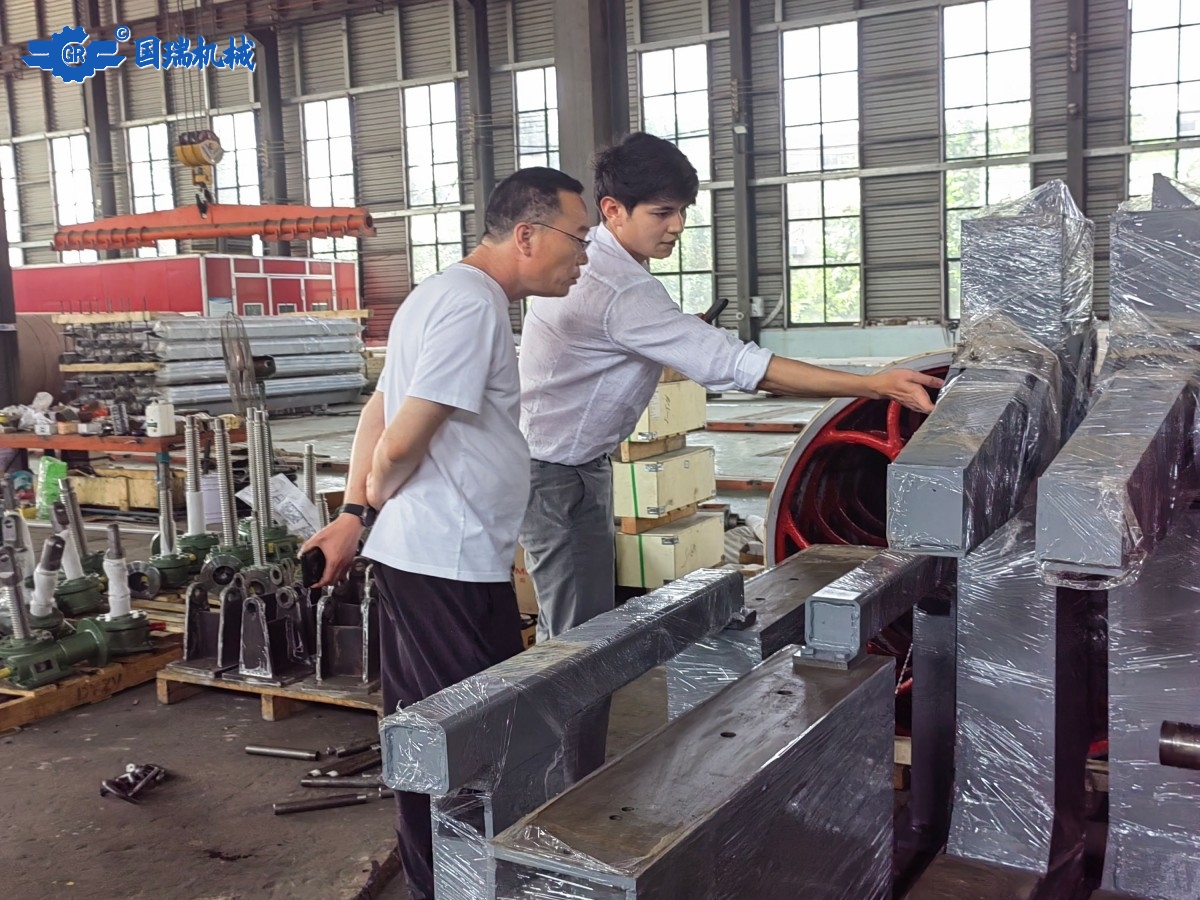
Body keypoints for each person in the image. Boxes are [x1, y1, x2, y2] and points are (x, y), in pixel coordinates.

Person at [518, 132, 943, 779]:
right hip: (556, 476)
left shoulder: (607, 266)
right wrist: (871, 384)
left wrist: (676, 333)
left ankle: (566, 773)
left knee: (580, 635)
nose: (677, 227)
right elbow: (740, 366)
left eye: (683, 211)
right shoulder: (616, 289)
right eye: (663, 213)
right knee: (577, 650)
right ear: (612, 211)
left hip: (578, 468)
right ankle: (560, 791)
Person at [299, 167, 591, 900]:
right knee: (470, 750)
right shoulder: (472, 305)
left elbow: (377, 408)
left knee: (433, 738)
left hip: (435, 562)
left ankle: (445, 885)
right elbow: (400, 437)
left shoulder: (435, 294)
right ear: (527, 235)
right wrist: (377, 492)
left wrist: (354, 515)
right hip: (446, 568)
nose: (584, 258)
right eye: (579, 239)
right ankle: (460, 888)